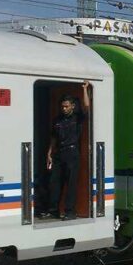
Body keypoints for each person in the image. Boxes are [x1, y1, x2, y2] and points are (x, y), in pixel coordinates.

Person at [42, 81, 90, 220]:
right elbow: (53, 137)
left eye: (66, 106)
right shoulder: (58, 120)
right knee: (55, 182)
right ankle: (53, 210)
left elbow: (86, 107)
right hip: (59, 152)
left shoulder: (77, 118)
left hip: (72, 153)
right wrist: (49, 153)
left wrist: (85, 90)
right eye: (62, 106)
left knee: (71, 184)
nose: (63, 108)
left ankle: (70, 212)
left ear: (72, 106)